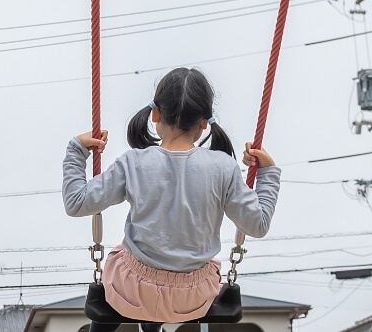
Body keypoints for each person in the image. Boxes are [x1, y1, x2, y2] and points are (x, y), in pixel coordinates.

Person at [63, 67, 282, 328]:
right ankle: (152, 325)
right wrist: (267, 172)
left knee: (127, 257)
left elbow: (76, 202)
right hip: (193, 297)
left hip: (132, 291)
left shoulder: (134, 163)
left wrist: (77, 151)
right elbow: (258, 225)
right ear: (204, 122)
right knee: (179, 270)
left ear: (155, 113)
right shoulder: (224, 168)